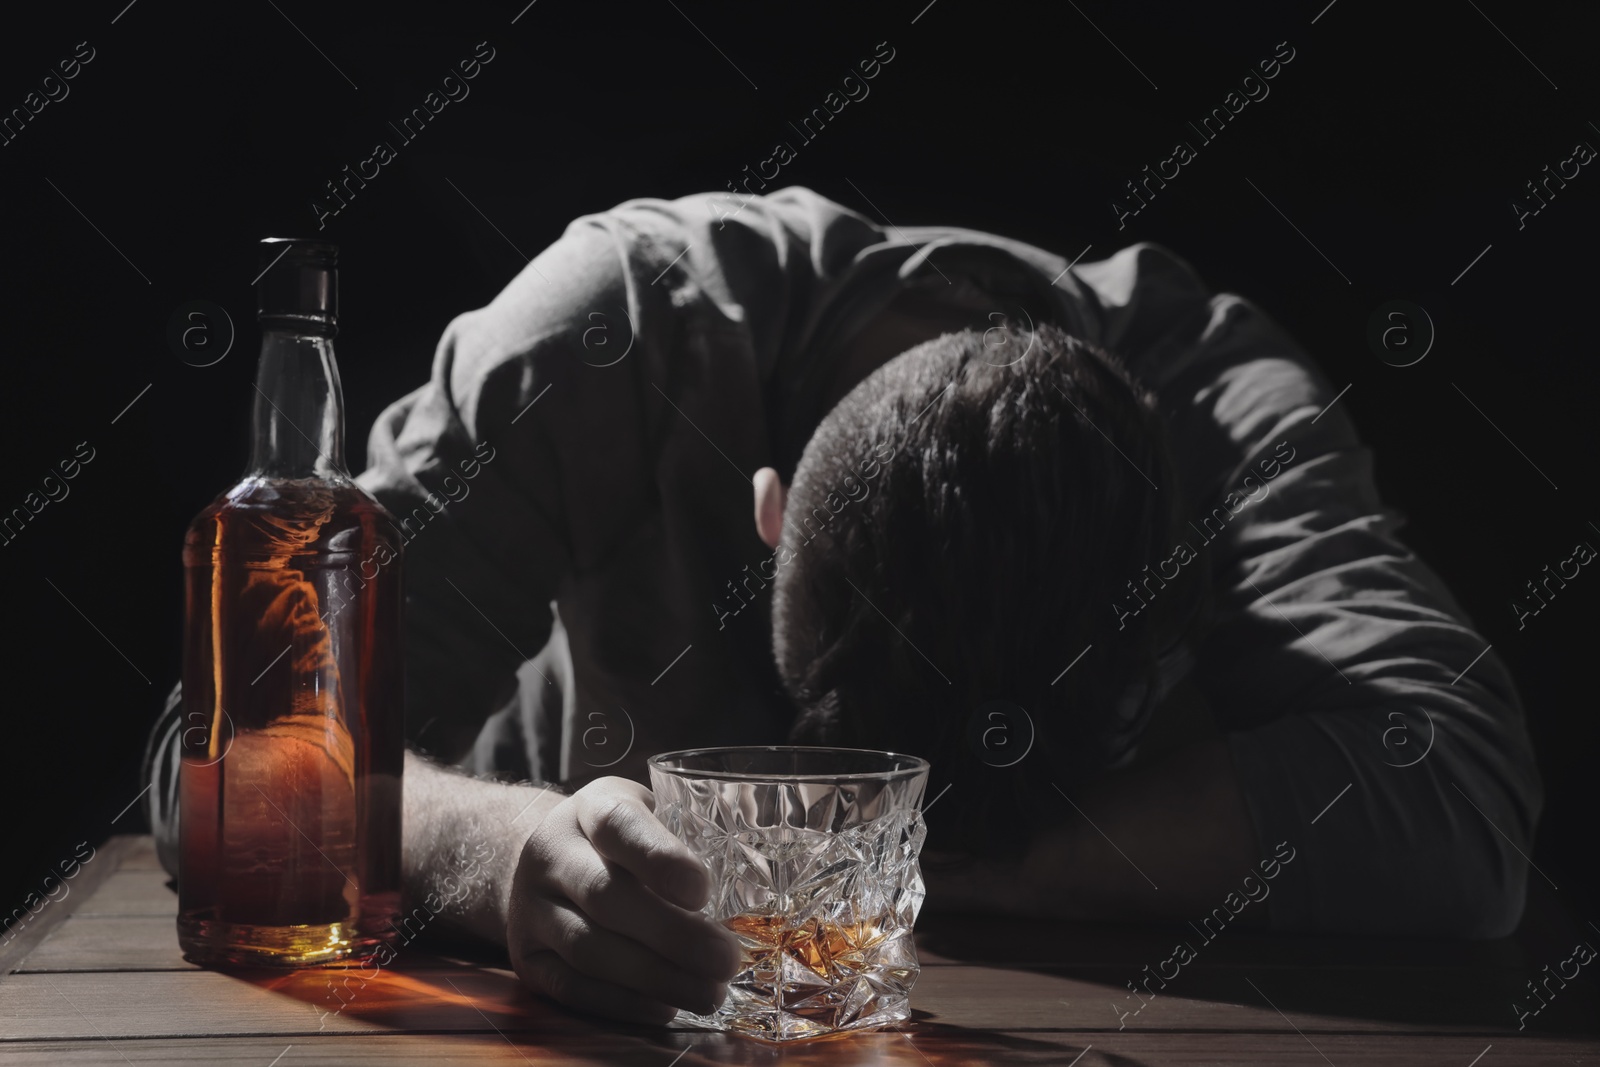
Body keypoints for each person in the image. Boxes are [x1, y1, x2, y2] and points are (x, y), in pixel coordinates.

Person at [142, 185, 1543, 1024]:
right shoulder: (612, 327)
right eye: (836, 739)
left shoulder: (1229, 419)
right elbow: (210, 774)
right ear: (769, 511)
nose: (858, 811)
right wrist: (492, 857)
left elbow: (1463, 815)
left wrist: (839, 865)